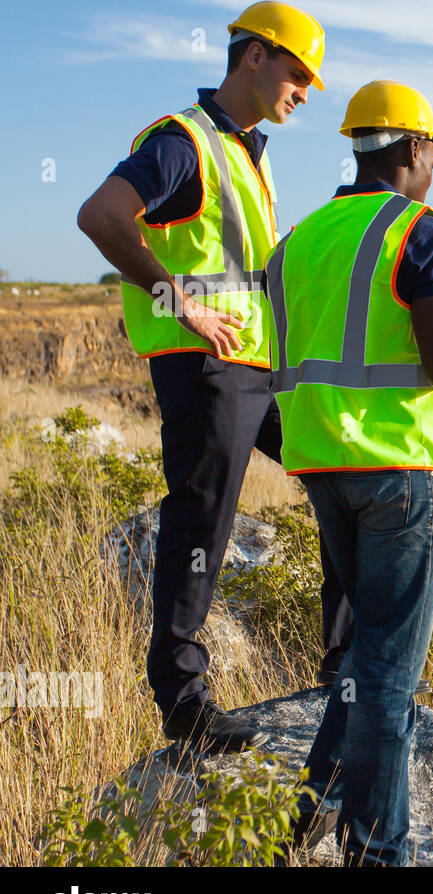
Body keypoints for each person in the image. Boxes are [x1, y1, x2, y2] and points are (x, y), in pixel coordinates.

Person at [265, 80, 433, 865]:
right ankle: (379, 855)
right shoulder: (423, 232)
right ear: (415, 150)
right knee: (387, 677)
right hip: (402, 470)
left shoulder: (302, 239)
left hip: (322, 466)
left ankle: (295, 829)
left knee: (362, 660)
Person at [76, 2, 350, 752]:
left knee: (342, 474)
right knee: (202, 519)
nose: (304, 90)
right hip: (206, 367)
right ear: (254, 57)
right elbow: (101, 216)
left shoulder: (248, 153)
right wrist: (180, 303)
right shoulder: (182, 142)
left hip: (259, 365)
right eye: (298, 73)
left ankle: (346, 664)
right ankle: (184, 700)